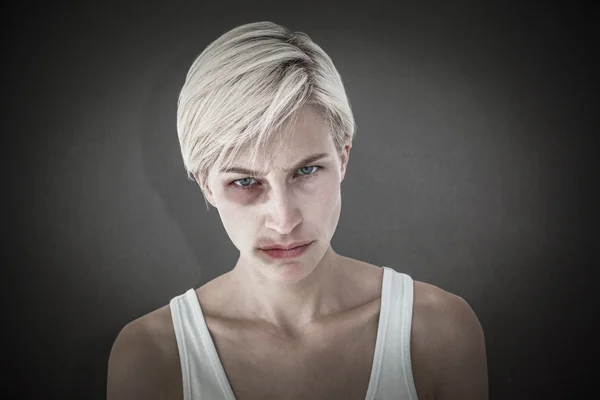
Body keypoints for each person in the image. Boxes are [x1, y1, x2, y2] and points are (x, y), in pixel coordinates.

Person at [106, 21, 488, 400]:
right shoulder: (152, 357)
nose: (285, 220)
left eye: (306, 170)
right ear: (205, 183)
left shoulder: (438, 332)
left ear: (343, 158)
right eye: (244, 181)